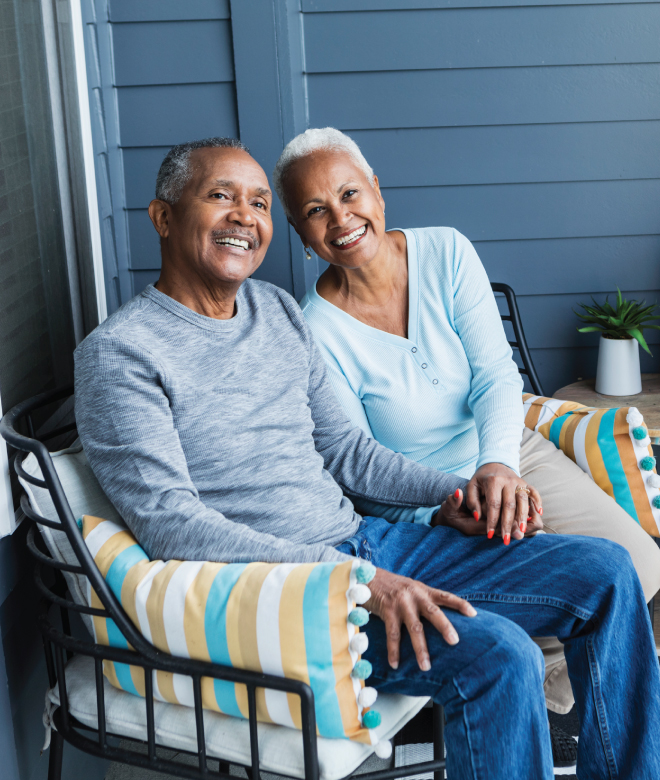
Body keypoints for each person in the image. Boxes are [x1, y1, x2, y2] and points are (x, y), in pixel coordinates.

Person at [74, 137, 660, 780]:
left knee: (605, 572)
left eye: (259, 202)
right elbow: (170, 524)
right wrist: (350, 582)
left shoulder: (272, 311)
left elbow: (346, 451)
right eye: (221, 196)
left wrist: (449, 495)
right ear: (162, 217)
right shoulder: (122, 354)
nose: (245, 215)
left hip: (366, 544)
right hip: (292, 591)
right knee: (500, 654)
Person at [273, 126, 660, 719]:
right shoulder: (314, 332)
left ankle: (561, 681)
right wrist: (438, 509)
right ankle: (552, 684)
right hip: (426, 505)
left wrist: (499, 463)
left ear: (377, 190)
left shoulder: (446, 250)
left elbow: (495, 378)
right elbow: (356, 465)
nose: (341, 219)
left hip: (506, 450)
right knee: (544, 599)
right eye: (316, 211)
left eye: (350, 194)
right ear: (301, 234)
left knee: (639, 564)